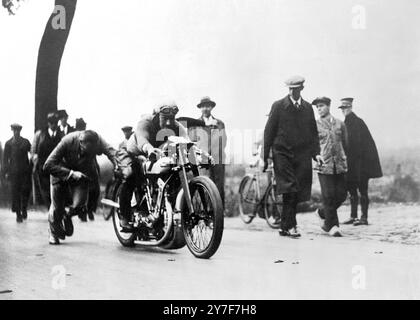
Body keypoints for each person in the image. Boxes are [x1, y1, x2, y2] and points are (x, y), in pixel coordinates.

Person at [263, 76, 323, 238]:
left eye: (295, 89)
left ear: (301, 89)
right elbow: (268, 132)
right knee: (290, 188)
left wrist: (316, 154)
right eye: (290, 89)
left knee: (298, 191)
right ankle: (292, 225)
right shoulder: (278, 106)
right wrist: (266, 156)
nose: (292, 92)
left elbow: (313, 134)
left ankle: (284, 226)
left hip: (301, 155)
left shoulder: (307, 108)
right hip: (282, 153)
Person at [118, 103, 188, 230]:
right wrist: (149, 149)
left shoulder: (177, 126)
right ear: (156, 116)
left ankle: (162, 212)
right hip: (133, 152)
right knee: (130, 175)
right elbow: (142, 138)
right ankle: (124, 216)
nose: (168, 122)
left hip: (155, 155)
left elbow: (186, 142)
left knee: (172, 174)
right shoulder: (145, 122)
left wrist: (199, 155)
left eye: (171, 119)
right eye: (164, 118)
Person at [43, 130, 118, 245]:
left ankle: (67, 216)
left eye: (90, 153)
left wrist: (118, 165)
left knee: (80, 205)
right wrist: (71, 174)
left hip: (82, 174)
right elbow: (48, 165)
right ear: (80, 143)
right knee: (57, 207)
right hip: (60, 172)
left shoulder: (99, 141)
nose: (85, 154)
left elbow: (112, 152)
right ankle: (54, 233)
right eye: (84, 150)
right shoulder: (67, 141)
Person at [339, 98, 382, 226]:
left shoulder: (357, 122)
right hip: (353, 164)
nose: (344, 110)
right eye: (342, 108)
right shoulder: (346, 123)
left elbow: (359, 145)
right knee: (352, 189)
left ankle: (364, 217)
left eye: (346, 108)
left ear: (351, 107)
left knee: (363, 190)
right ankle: (353, 216)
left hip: (361, 165)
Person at [313, 97, 348, 237]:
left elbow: (346, 144)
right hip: (324, 165)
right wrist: (316, 155)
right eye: (317, 107)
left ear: (329, 106)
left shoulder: (340, 124)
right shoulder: (315, 125)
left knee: (341, 195)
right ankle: (333, 226)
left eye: (321, 106)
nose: (319, 109)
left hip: (339, 165)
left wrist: (345, 158)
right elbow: (312, 145)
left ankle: (322, 212)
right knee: (328, 196)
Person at [195, 97, 227, 207]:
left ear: (211, 107)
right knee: (204, 185)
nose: (205, 108)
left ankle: (219, 214)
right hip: (203, 159)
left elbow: (224, 141)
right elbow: (193, 142)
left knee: (218, 187)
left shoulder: (219, 123)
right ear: (200, 108)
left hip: (218, 158)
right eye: (203, 106)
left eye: (207, 106)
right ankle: (205, 212)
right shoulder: (196, 124)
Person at [32, 113, 63, 208]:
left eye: (55, 123)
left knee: (57, 188)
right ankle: (50, 207)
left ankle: (54, 207)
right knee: (45, 189)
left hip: (56, 167)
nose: (53, 125)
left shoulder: (61, 135)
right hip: (43, 167)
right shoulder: (40, 135)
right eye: (51, 123)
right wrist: (35, 159)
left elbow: (65, 149)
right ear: (48, 123)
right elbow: (33, 150)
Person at [2, 124, 32, 222]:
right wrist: (5, 172)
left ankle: (24, 208)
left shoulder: (25, 142)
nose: (16, 132)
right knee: (15, 193)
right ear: (12, 131)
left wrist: (31, 165)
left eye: (18, 130)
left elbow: (32, 152)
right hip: (14, 172)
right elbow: (5, 159)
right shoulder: (8, 144)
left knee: (25, 191)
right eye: (14, 130)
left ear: (20, 131)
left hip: (25, 171)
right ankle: (18, 214)